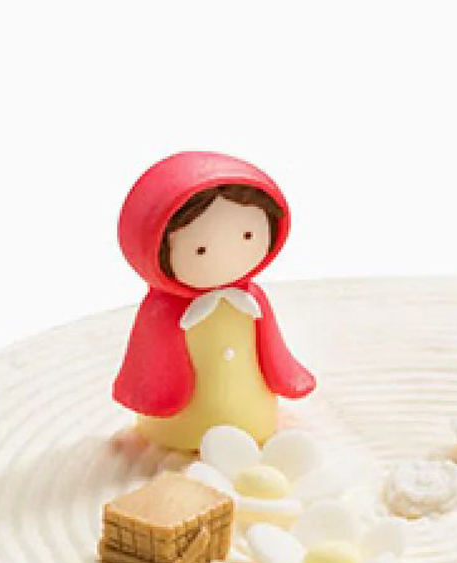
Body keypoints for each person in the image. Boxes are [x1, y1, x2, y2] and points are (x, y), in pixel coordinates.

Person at [113, 152, 315, 451]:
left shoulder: (251, 301)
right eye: (200, 250)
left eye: (248, 235)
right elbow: (150, 364)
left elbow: (271, 348)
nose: (228, 256)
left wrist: (284, 374)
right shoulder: (162, 313)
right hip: (177, 432)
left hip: (255, 421)